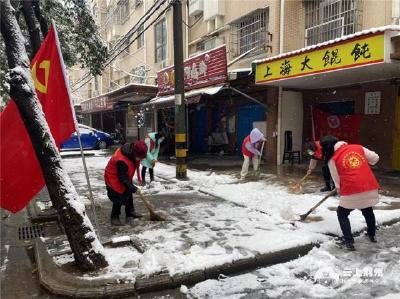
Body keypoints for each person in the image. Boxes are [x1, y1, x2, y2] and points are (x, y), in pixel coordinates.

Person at [320, 135, 380, 251]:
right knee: (367, 209)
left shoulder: (332, 159)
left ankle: (349, 242)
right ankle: (372, 235)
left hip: (351, 190)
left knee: (342, 213)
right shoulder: (358, 147)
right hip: (369, 186)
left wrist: (339, 189)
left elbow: (337, 181)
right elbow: (375, 158)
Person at [104, 141, 148, 226]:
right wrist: (134, 188)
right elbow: (122, 179)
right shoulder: (121, 160)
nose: (140, 159)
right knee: (118, 197)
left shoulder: (131, 153)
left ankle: (130, 212)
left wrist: (131, 187)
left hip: (125, 175)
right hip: (113, 178)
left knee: (128, 193)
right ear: (134, 153)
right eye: (139, 157)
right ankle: (115, 217)